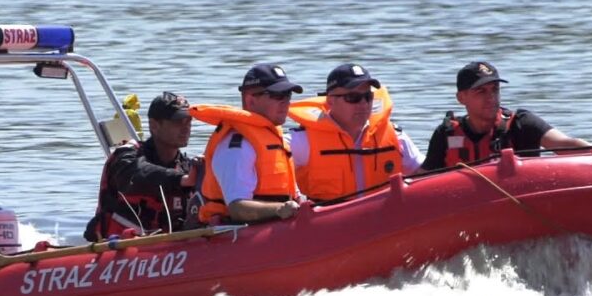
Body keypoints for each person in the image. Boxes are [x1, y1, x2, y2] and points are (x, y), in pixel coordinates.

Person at [287, 63, 424, 202]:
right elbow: (276, 177)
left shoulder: (395, 136)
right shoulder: (302, 141)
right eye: (353, 97)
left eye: (368, 96)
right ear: (331, 100)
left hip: (384, 213)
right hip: (331, 215)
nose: (363, 104)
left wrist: (436, 154)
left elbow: (424, 176)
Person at [421, 61, 590, 171]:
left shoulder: (521, 123)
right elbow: (420, 179)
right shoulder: (446, 134)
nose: (491, 97)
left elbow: (567, 144)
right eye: (481, 91)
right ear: (461, 98)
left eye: (495, 90)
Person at [190, 63, 302, 224]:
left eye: (288, 95)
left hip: (277, 226)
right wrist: (279, 209)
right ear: (251, 101)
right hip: (236, 231)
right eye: (278, 95)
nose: (286, 102)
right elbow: (237, 209)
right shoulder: (237, 146)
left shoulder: (277, 139)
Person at [84, 92, 199, 242]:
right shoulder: (126, 156)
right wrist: (180, 179)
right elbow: (136, 175)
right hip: (118, 247)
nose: (186, 128)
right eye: (177, 122)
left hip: (170, 249)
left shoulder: (187, 167)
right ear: (154, 125)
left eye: (188, 121)